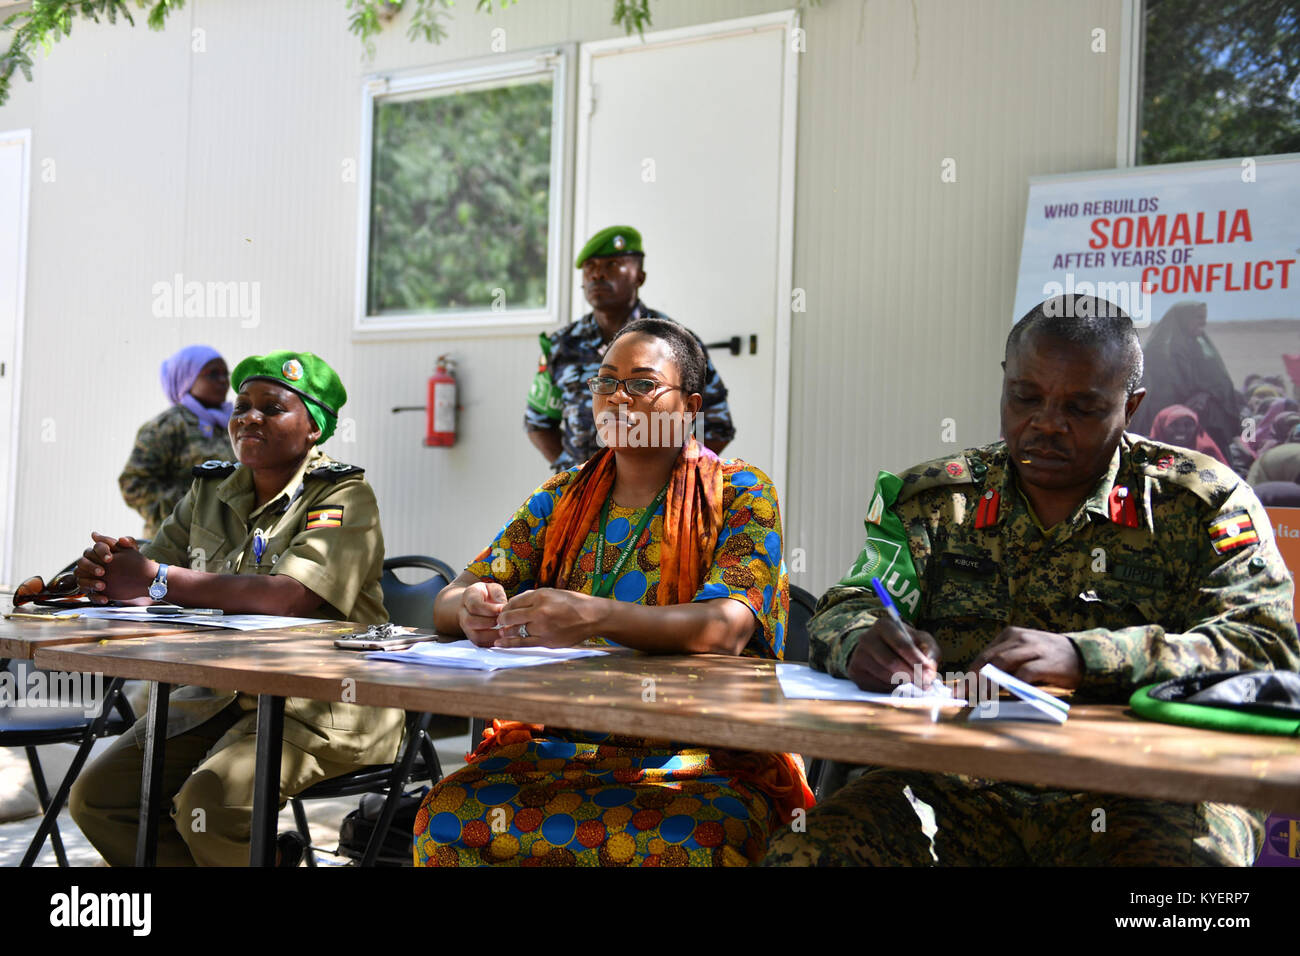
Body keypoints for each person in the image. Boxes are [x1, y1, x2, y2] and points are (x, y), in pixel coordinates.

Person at [764, 297, 1298, 867]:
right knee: (807, 856)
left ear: (1132, 405)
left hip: (1144, 789)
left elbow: (1266, 647)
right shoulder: (941, 501)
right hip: (954, 786)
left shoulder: (1198, 502)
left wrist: (1087, 657)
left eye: (1082, 407)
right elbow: (849, 604)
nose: (1046, 424)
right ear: (1004, 384)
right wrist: (864, 641)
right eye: (1025, 398)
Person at [418, 318, 810, 866]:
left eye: (643, 384)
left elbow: (726, 627)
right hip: (559, 744)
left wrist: (591, 616)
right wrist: (473, 610)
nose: (617, 398)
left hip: (698, 753)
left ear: (691, 405)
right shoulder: (560, 498)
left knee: (687, 837)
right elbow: (446, 600)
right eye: (605, 382)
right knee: (445, 812)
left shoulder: (740, 493)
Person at [70, 351, 405, 866]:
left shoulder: (342, 494)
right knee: (99, 798)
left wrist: (157, 579)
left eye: (272, 408)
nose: (249, 417)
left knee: (213, 805)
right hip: (219, 692)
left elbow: (290, 597)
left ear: (314, 427)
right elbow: (155, 569)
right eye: (242, 406)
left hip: (321, 705)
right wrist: (112, 573)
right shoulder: (210, 489)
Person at [524, 225, 736, 472]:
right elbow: (538, 422)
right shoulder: (561, 345)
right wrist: (570, 471)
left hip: (657, 498)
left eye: (612, 265)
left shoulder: (673, 343)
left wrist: (680, 475)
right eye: (590, 267)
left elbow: (717, 424)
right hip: (583, 498)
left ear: (639, 277)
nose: (597, 275)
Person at [119, 345, 235, 537]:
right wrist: (187, 509)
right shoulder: (169, 425)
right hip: (175, 542)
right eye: (213, 374)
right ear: (187, 378)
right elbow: (133, 483)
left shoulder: (232, 423)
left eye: (225, 374)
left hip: (221, 540)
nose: (223, 381)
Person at [1129, 300, 1241, 455]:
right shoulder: (1159, 351)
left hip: (1200, 419)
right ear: (1183, 319)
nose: (1203, 322)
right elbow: (1155, 387)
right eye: (1198, 317)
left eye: (1204, 317)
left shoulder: (1202, 349)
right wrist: (1182, 405)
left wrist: (1205, 394)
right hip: (1164, 419)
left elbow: (1219, 382)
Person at [1148, 403, 1227, 464]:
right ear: (1160, 428)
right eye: (1174, 424)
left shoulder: (1208, 454)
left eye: (1188, 425)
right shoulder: (1147, 455)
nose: (1181, 430)